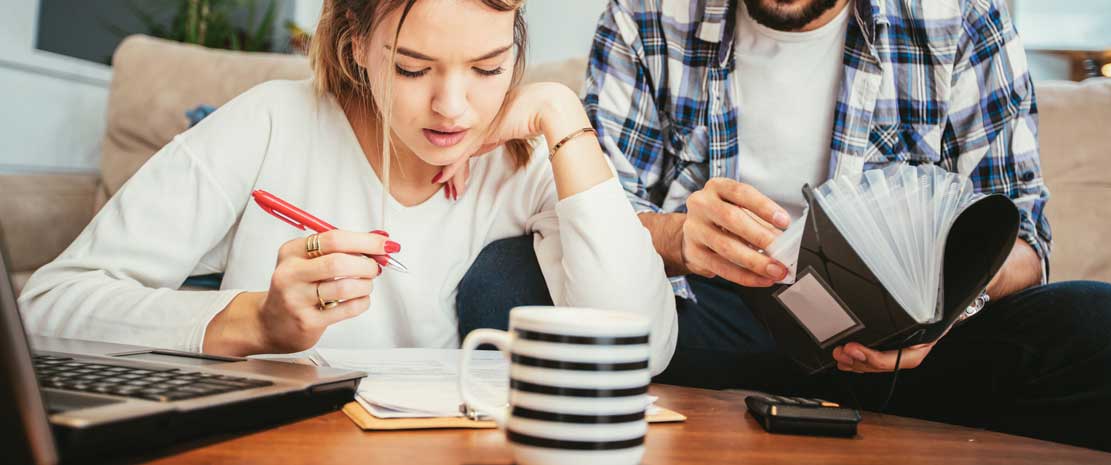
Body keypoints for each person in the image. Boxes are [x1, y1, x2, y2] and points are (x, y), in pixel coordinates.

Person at [576, 0, 1111, 457]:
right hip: (717, 316)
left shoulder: (964, 16)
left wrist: (947, 309)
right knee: (512, 284)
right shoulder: (644, 14)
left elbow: (1028, 244)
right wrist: (677, 238)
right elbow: (592, 214)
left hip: (916, 346)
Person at [17, 0, 678, 376]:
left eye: (487, 67)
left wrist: (564, 116)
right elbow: (45, 306)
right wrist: (254, 320)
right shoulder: (271, 122)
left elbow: (641, 347)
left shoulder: (525, 159)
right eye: (414, 68)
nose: (453, 107)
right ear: (358, 44)